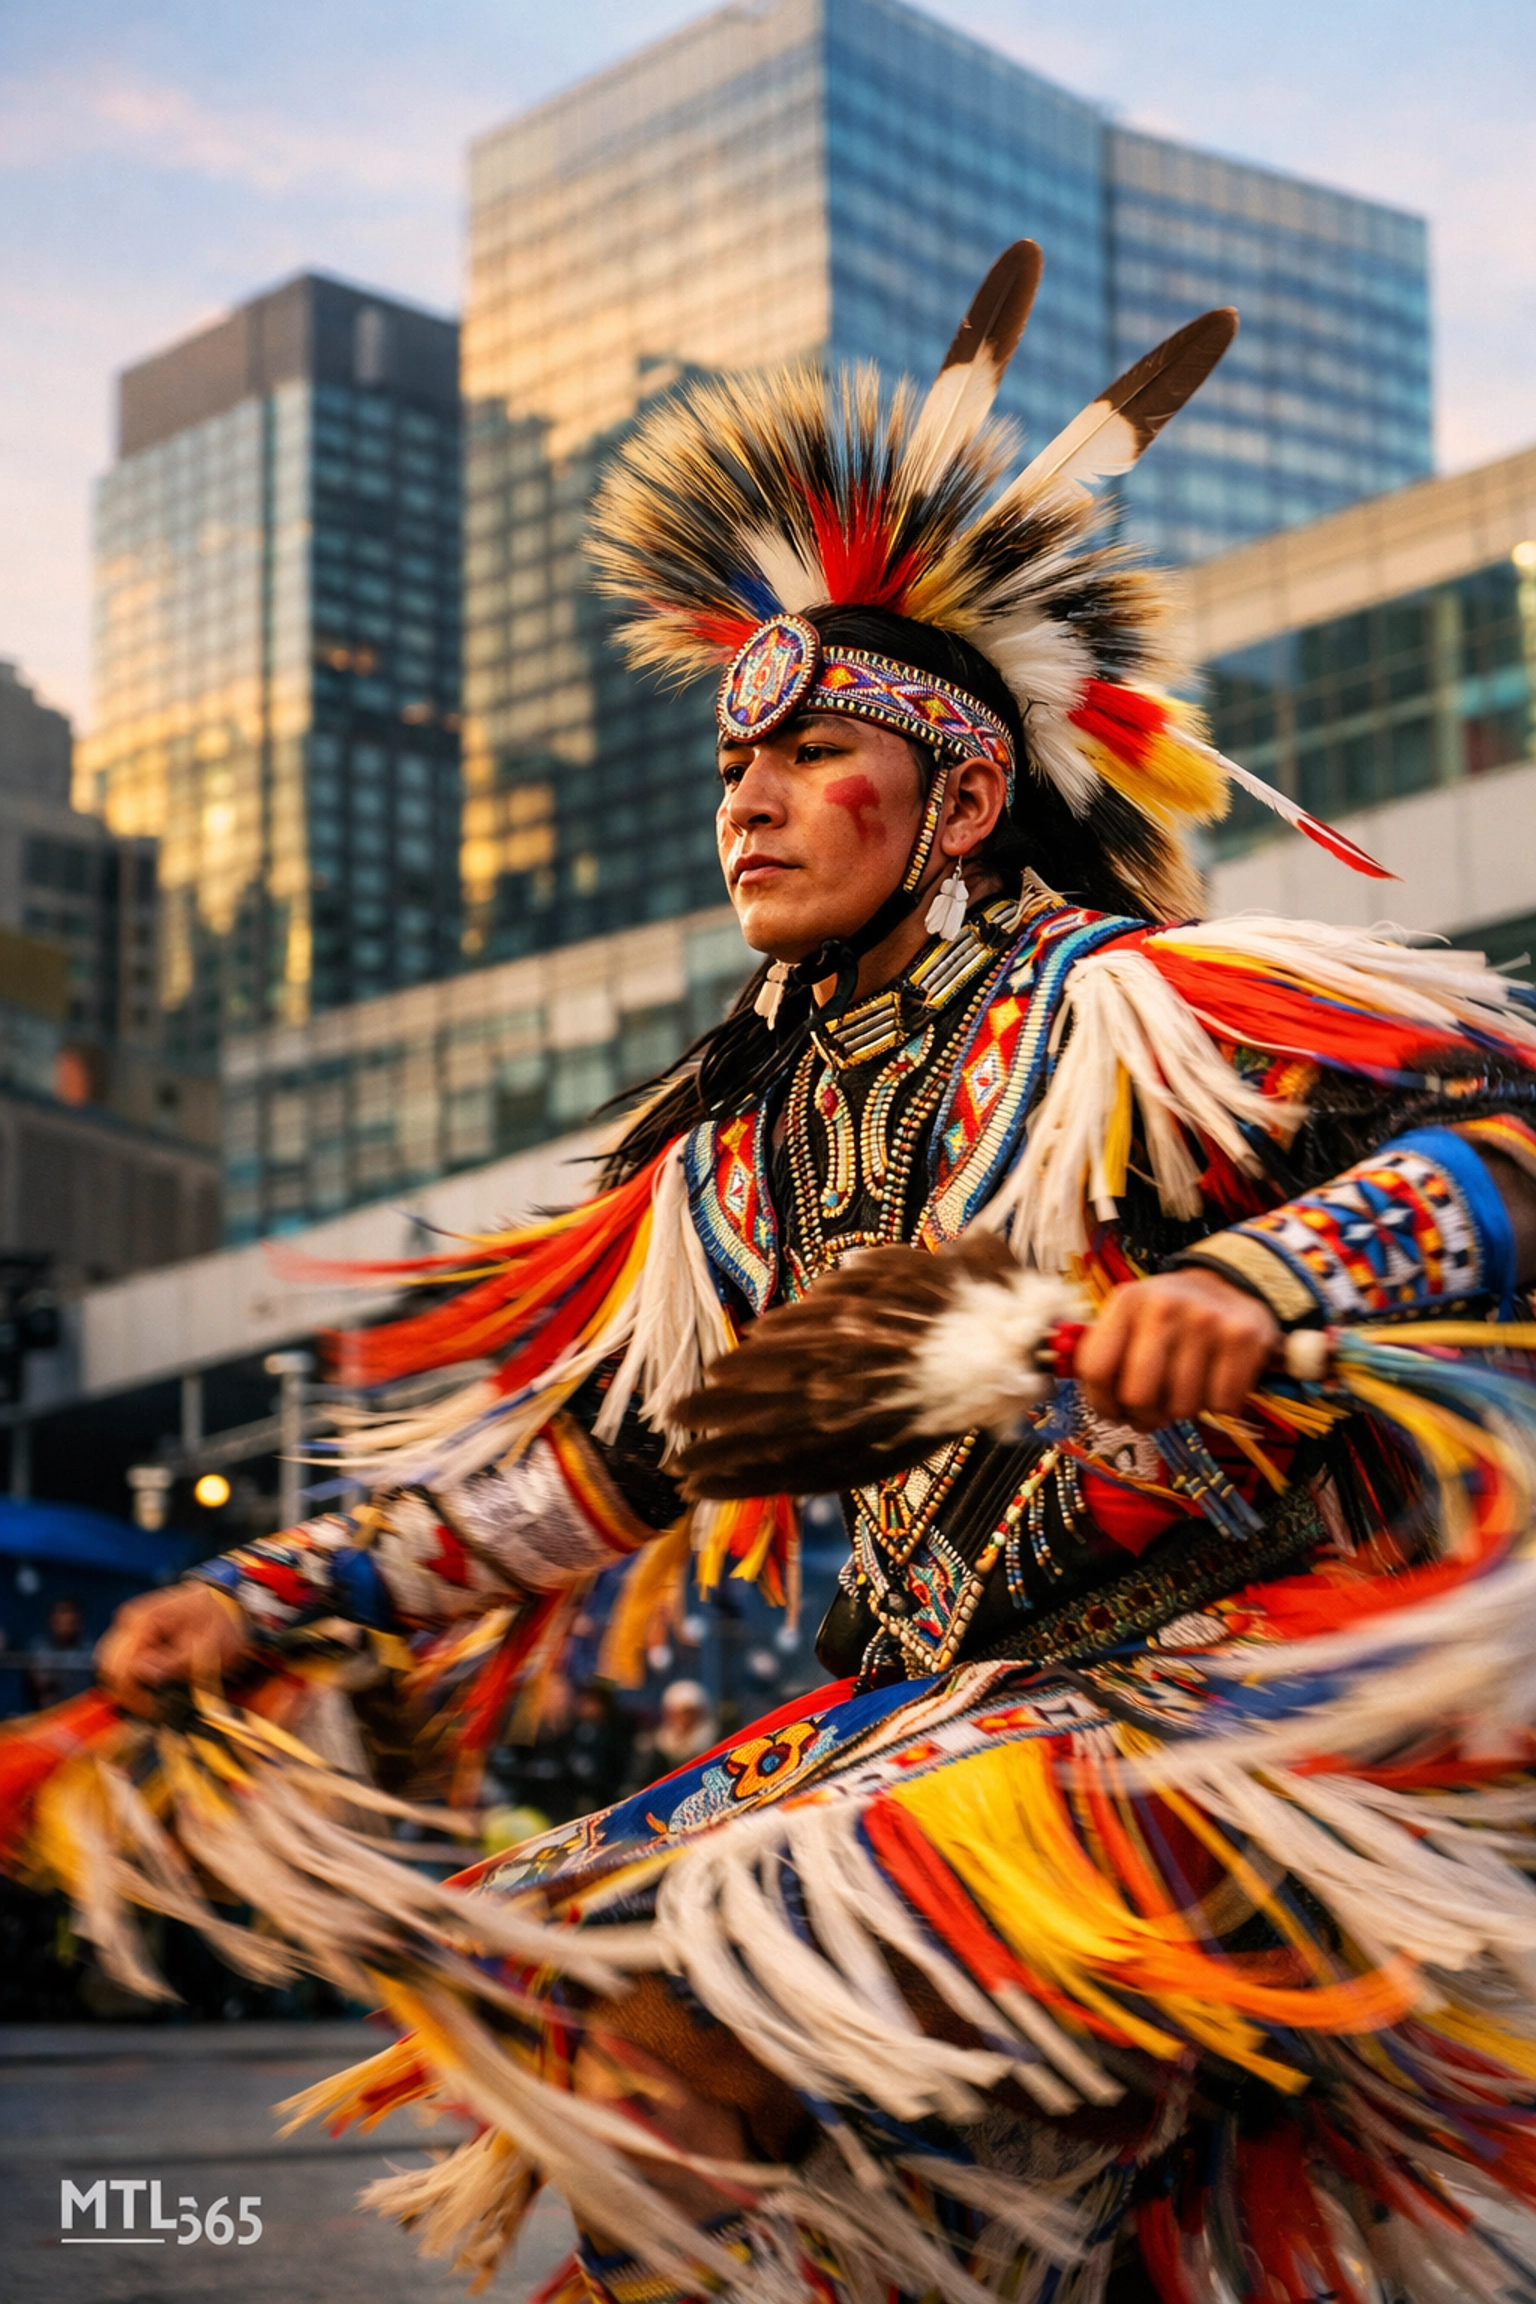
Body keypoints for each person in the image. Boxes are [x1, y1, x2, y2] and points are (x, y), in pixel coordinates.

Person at [19, 240, 1536, 2300]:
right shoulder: (760, 1146)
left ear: (965, 794)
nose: (743, 798)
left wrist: (1265, 1283)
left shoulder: (1151, 1014)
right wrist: (270, 1592)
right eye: (728, 767)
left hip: (1219, 1716)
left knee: (702, 2018)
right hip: (957, 1714)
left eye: (805, 756)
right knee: (731, 2119)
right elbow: (618, 1461)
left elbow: (1520, 1128)